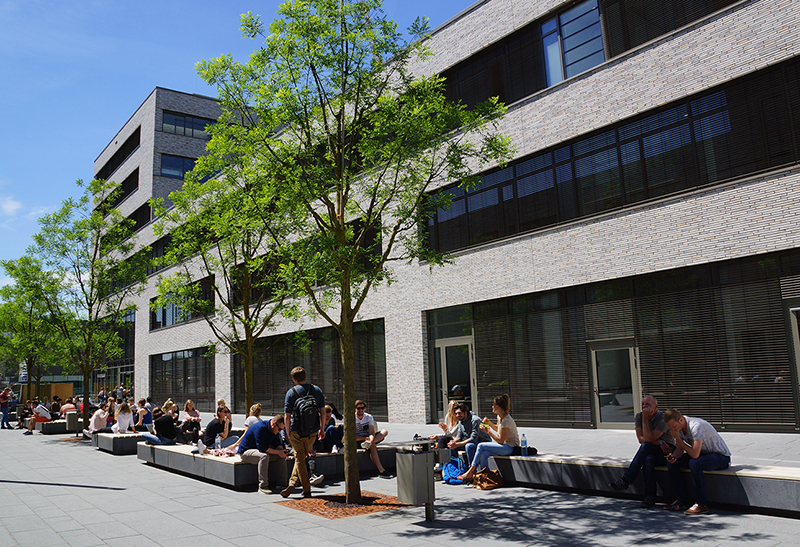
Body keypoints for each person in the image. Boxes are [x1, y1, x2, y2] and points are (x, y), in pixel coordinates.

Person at [608, 395, 676, 508]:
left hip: (667, 450)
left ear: (656, 407)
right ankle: (650, 497)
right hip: (654, 447)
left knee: (646, 446)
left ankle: (627, 479)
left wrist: (645, 419)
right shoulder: (639, 416)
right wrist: (659, 442)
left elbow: (648, 439)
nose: (644, 407)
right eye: (643, 404)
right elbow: (641, 439)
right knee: (648, 458)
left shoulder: (663, 419)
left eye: (647, 405)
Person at [664, 408, 731, 515]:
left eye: (674, 426)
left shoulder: (696, 426)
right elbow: (679, 450)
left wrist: (678, 438)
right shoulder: (678, 429)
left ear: (681, 420)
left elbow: (695, 455)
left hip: (721, 457)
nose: (673, 430)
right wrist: (673, 457)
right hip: (703, 455)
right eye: (671, 428)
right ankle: (682, 500)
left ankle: (701, 504)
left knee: (694, 463)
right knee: (673, 463)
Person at [281, 366, 326, 499]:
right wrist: (322, 429)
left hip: (296, 430)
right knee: (300, 456)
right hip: (312, 431)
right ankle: (293, 482)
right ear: (305, 377)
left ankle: (306, 490)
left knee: (299, 458)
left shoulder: (291, 393)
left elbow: (287, 416)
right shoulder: (316, 390)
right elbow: (323, 411)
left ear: (294, 379)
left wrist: (287, 433)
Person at [457, 394, 519, 482]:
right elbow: (498, 428)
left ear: (497, 407)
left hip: (510, 447)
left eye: (493, 405)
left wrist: (488, 432)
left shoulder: (506, 420)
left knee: (481, 446)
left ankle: (471, 471)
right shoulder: (500, 417)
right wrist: (489, 423)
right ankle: (485, 476)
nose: (492, 406)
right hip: (505, 446)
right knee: (484, 454)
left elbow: (500, 441)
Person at [237, 414, 290, 494]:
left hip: (260, 451)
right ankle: (263, 485)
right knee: (264, 456)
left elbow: (277, 444)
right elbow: (262, 448)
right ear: (273, 424)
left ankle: (282, 483)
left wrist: (282, 451)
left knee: (280, 456)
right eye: (279, 429)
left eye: (281, 430)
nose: (279, 432)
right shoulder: (260, 428)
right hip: (246, 452)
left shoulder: (274, 431)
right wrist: (278, 452)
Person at [355, 400, 392, 478]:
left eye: (362, 408)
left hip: (369, 439)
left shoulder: (369, 417)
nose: (360, 410)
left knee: (384, 431)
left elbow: (372, 432)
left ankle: (368, 444)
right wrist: (364, 438)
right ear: (355, 409)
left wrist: (370, 441)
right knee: (373, 447)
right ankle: (381, 470)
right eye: (358, 408)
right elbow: (352, 436)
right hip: (358, 440)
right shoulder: (352, 418)